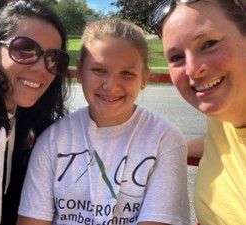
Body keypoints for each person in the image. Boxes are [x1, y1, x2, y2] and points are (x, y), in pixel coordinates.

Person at [17, 18, 190, 225]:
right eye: (99, 70)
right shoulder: (53, 139)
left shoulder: (164, 139)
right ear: (80, 71)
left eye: (126, 73)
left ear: (144, 78)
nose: (110, 86)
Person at [0, 0, 71, 224]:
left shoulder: (20, 113)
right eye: (25, 49)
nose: (40, 68)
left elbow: (11, 191)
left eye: (53, 58)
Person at [150, 0, 246, 224]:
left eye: (209, 43)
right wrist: (163, 153)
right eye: (176, 58)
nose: (193, 69)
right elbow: (225, 141)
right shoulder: (224, 117)